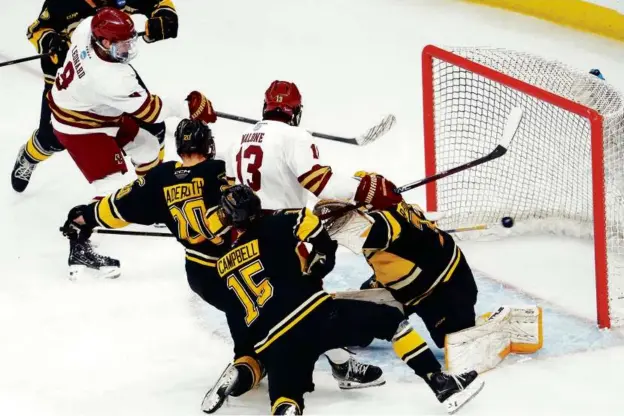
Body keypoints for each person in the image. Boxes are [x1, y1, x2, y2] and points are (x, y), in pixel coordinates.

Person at [206, 184, 484, 415]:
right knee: (392, 322)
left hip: (273, 342)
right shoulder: (280, 220)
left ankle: (275, 391)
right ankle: (440, 382)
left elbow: (237, 323)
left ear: (230, 220)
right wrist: (320, 263)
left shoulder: (222, 269)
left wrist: (245, 358)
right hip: (315, 314)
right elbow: (319, 237)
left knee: (287, 399)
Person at [59, 119, 268, 407]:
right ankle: (255, 361)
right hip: (234, 265)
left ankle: (250, 360)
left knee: (241, 308)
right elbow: (253, 201)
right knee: (263, 304)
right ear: (208, 144)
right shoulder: (220, 172)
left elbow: (120, 205)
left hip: (198, 274)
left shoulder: (160, 177)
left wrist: (87, 214)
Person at [226, 80, 402, 390]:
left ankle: (256, 359)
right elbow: (320, 183)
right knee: (309, 303)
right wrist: (367, 189)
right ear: (295, 112)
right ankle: (341, 367)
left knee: (268, 303)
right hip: (283, 235)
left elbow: (226, 192)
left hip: (241, 239)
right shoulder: (295, 136)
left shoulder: (237, 140)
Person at [312, 195, 543, 375]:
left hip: (444, 288)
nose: (335, 228)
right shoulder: (379, 214)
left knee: (457, 347)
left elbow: (383, 230)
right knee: (352, 319)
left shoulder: (380, 225)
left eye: (338, 222)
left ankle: (502, 323)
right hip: (407, 287)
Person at [12, 0, 179, 193]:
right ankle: (29, 156)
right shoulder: (60, 4)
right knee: (51, 138)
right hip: (68, 85)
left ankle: (155, 191)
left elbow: (158, 3)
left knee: (153, 125)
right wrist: (50, 41)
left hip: (108, 74)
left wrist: (165, 17)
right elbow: (36, 30)